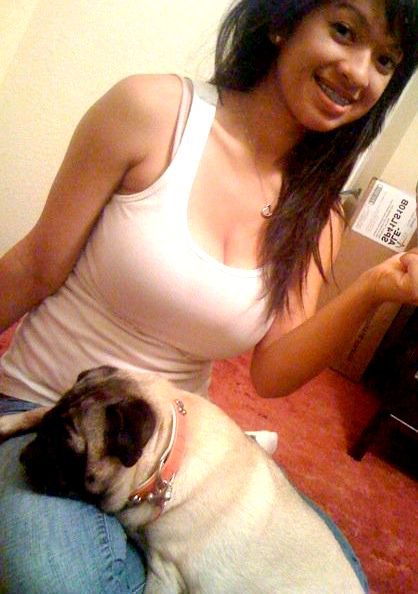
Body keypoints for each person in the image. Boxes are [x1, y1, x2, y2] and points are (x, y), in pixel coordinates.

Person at [0, 0, 417, 591]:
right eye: (345, 30)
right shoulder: (151, 113)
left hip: (183, 460)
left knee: (337, 578)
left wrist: (377, 287)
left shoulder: (316, 217)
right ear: (283, 21)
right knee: (60, 578)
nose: (359, 72)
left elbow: (272, 374)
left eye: (385, 61)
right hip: (53, 416)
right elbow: (33, 266)